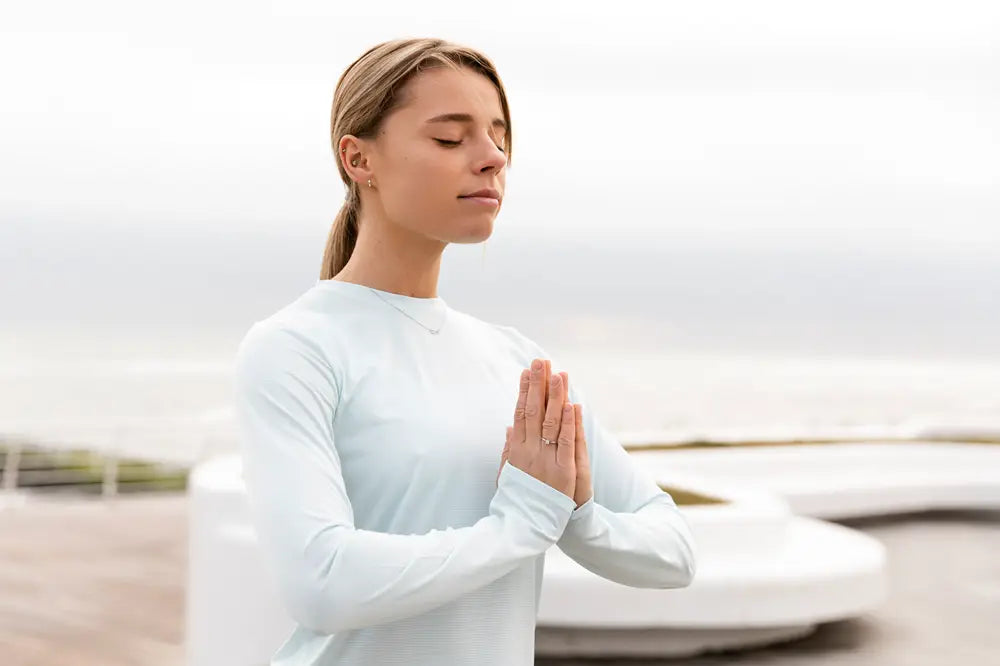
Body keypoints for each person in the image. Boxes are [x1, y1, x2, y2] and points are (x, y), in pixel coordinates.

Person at [232, 37, 698, 666]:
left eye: (498, 137)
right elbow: (321, 582)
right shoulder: (296, 348)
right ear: (358, 158)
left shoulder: (515, 362)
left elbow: (673, 552)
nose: (491, 159)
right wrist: (519, 525)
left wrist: (579, 514)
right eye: (450, 139)